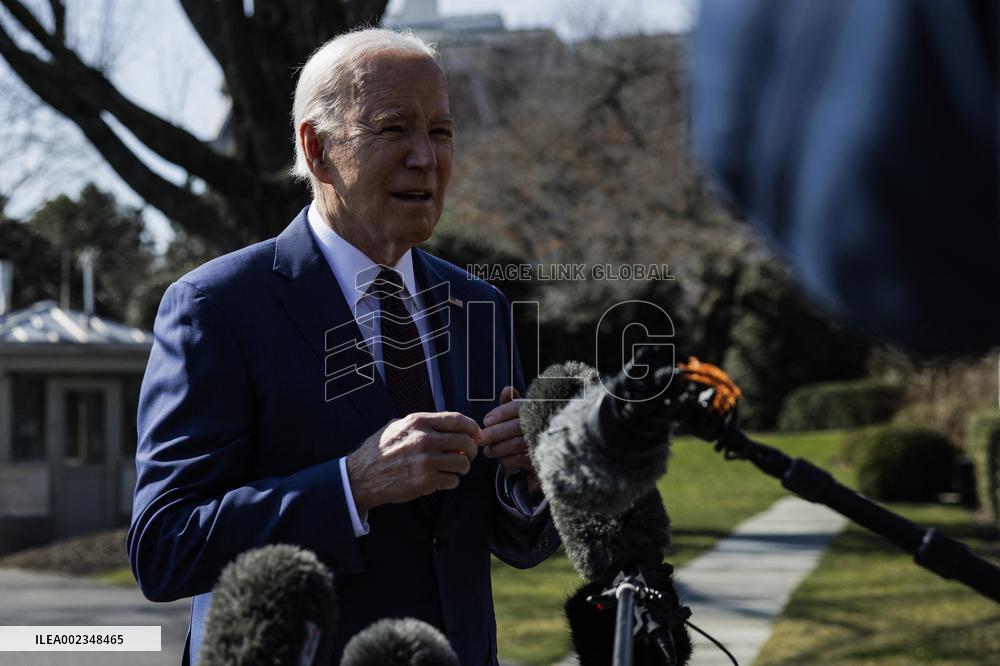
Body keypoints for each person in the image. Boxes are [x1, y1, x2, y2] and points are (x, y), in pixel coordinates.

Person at [127, 28, 559, 665]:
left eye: (441, 132)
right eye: (394, 128)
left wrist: (530, 477)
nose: (425, 157)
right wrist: (351, 487)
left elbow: (509, 541)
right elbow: (164, 548)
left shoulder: (480, 307)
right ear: (317, 148)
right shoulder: (216, 307)